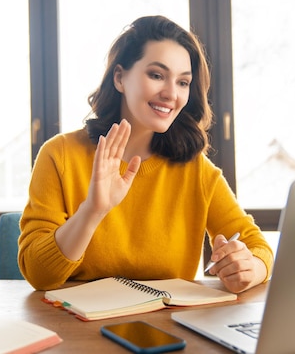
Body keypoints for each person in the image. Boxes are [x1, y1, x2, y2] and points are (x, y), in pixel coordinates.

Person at [18, 15, 274, 293]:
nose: (171, 93)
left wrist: (249, 268)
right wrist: (92, 211)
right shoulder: (61, 155)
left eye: (183, 82)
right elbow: (38, 274)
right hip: (79, 328)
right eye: (156, 75)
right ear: (119, 78)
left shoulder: (196, 170)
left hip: (169, 329)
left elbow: (258, 248)